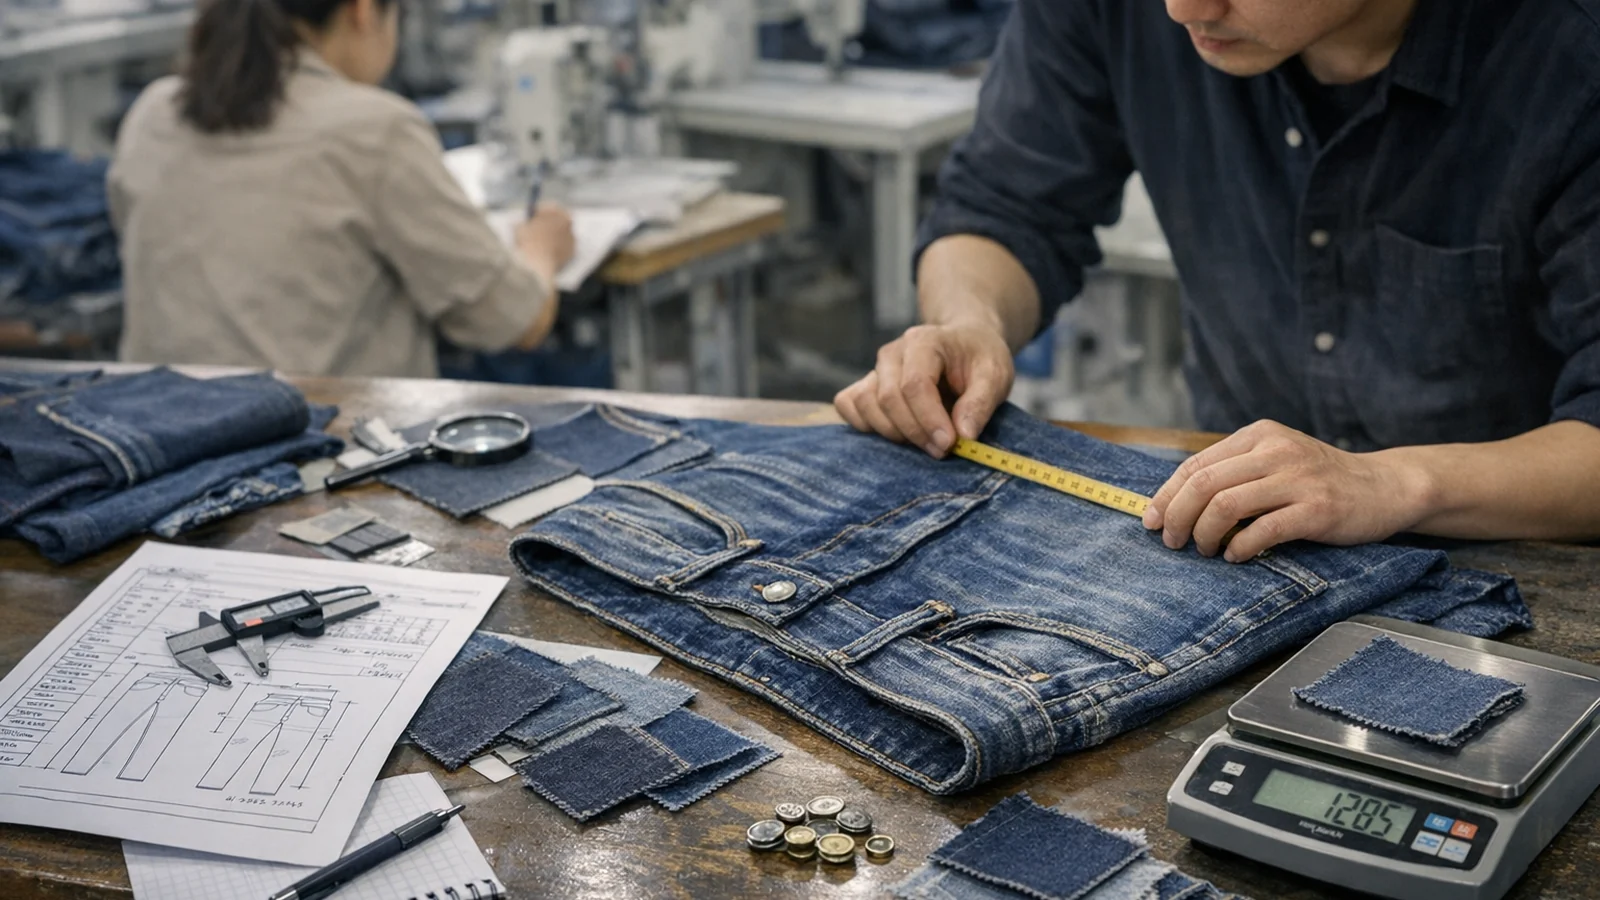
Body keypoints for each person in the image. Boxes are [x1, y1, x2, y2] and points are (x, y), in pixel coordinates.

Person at [837, 0, 1600, 563]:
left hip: (1523, 557)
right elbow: (1004, 203)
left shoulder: (1571, 56)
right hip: (1236, 547)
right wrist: (970, 320)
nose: (1184, 9)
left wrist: (1393, 484)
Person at [109, 0, 575, 377]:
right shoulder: (374, 130)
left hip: (158, 456)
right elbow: (513, 319)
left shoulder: (153, 112)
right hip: (312, 465)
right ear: (363, 11)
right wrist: (540, 247)